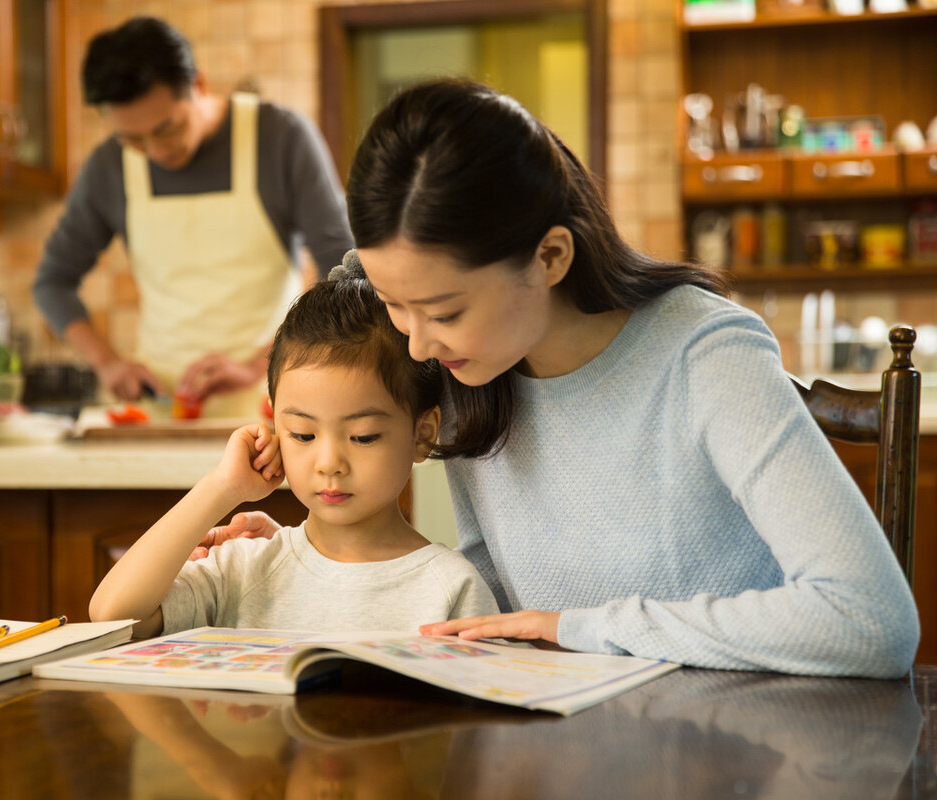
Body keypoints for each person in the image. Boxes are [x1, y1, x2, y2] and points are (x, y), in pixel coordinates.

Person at [203, 78, 920, 678]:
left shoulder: (705, 354)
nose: (416, 345)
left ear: (549, 257)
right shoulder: (466, 366)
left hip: (733, 741)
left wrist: (583, 628)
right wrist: (327, 557)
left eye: (444, 310)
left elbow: (870, 618)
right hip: (554, 738)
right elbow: (499, 610)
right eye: (397, 306)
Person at [88, 275, 499, 636]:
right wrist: (222, 488)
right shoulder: (246, 568)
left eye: (364, 436)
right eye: (303, 434)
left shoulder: (451, 589)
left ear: (422, 434)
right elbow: (112, 614)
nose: (329, 463)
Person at [33, 17, 354, 417]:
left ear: (198, 85)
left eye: (167, 129)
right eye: (132, 139)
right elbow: (52, 283)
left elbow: (344, 265)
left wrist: (258, 364)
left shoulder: (281, 138)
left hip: (276, 405)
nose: (155, 152)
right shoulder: (108, 167)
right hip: (162, 408)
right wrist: (107, 361)